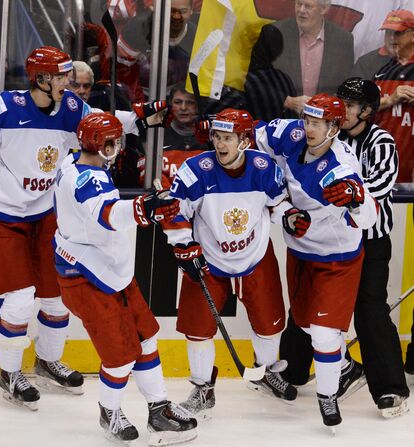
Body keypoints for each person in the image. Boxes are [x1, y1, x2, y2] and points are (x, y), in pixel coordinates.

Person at [0, 45, 171, 409]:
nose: (67, 82)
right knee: (20, 300)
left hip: (44, 213)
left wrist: (141, 118)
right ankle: (9, 372)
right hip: (2, 216)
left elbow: (102, 121)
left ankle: (47, 359)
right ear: (40, 78)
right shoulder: (5, 108)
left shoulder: (70, 108)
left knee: (56, 299)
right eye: (60, 76)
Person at [54, 111, 197, 445]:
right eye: (112, 141)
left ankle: (159, 408)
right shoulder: (90, 178)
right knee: (120, 356)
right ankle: (109, 411)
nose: (117, 146)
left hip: (108, 270)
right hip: (88, 276)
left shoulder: (73, 163)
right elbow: (106, 215)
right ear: (97, 143)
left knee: (145, 338)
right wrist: (143, 209)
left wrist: (143, 206)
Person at [278, 78, 410, 418]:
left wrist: (347, 194)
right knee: (304, 310)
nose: (343, 111)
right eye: (341, 103)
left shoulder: (380, 142)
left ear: (367, 110)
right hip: (324, 242)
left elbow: (375, 191)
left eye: (350, 106)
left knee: (369, 312)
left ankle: (390, 389)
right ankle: (299, 372)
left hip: (368, 241)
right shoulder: (320, 134)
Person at [163, 108, 305, 420]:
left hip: (254, 256)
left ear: (244, 140)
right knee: (198, 330)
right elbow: (174, 212)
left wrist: (290, 217)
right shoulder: (196, 169)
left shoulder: (263, 166)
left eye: (227, 137)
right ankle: (202, 387)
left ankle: (266, 371)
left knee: (270, 325)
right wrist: (183, 244)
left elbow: (277, 203)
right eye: (216, 136)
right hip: (209, 260)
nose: (219, 144)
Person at [255, 94, 378, 428]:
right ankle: (346, 368)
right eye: (307, 121)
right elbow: (254, 135)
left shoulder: (342, 167)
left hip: (337, 258)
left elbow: (369, 216)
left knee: (324, 334)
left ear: (335, 127)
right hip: (300, 251)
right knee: (308, 325)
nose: (309, 128)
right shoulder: (292, 133)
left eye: (318, 123)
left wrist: (355, 199)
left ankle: (328, 396)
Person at [250, 0, 354, 115]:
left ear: (324, 9)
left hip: (323, 123)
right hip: (279, 118)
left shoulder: (343, 39)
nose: (301, 10)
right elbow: (254, 79)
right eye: (299, 4)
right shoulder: (273, 33)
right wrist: (287, 101)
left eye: (308, 6)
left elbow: (344, 85)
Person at [373, 9, 414, 185]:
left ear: (412, 35)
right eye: (388, 33)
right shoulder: (381, 74)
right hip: (384, 166)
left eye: (397, 33)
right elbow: (361, 110)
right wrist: (389, 100)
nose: (391, 38)